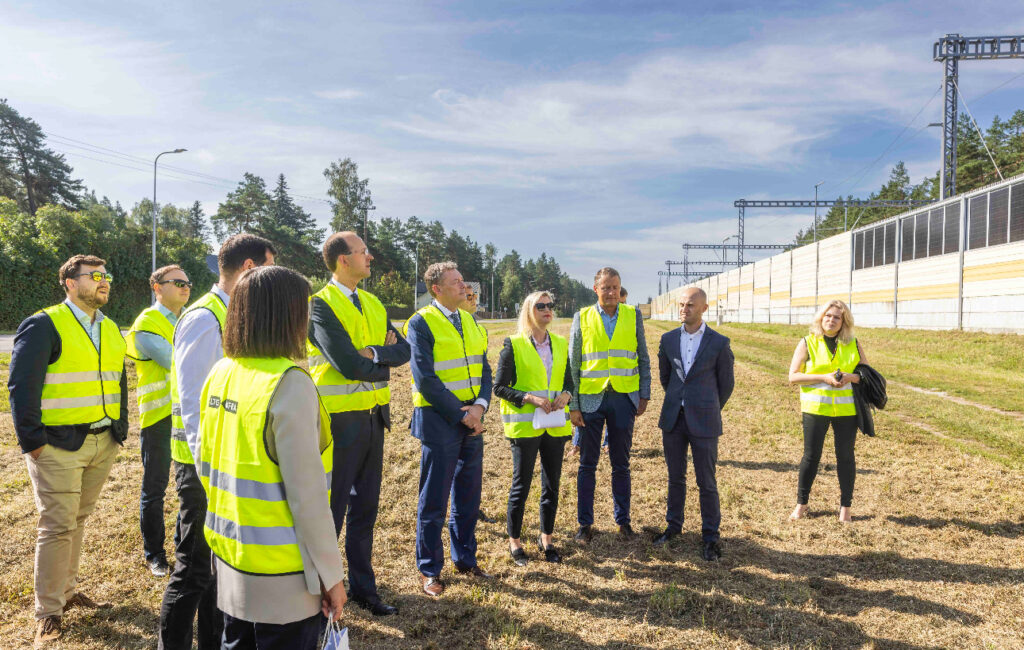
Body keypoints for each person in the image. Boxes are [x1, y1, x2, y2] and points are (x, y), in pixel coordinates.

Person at [198, 265, 346, 649]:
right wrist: (331, 576)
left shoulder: (220, 373)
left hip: (230, 555)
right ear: (287, 316)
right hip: (284, 575)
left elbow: (205, 460)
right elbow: (307, 497)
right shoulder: (289, 383)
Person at [159, 233, 276, 650]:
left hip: (223, 463)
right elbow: (193, 403)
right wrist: (207, 469)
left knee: (217, 570)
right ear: (249, 269)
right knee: (193, 571)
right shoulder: (205, 318)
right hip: (201, 467)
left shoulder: (233, 314)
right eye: (268, 269)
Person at [8, 254, 128, 646]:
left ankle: (67, 591)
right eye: (94, 275)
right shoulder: (44, 324)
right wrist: (33, 443)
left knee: (77, 519)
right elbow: (21, 387)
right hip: (57, 446)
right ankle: (48, 612)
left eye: (106, 275)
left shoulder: (110, 327)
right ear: (70, 283)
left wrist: (119, 427)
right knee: (57, 526)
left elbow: (118, 381)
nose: (103, 281)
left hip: (102, 441)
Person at [306, 232, 409, 617]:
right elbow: (347, 364)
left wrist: (375, 353)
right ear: (342, 260)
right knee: (331, 513)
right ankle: (322, 592)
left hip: (374, 419)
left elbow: (404, 350)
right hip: (338, 423)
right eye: (363, 252)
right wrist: (382, 360)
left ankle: (364, 588)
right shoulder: (319, 305)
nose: (370, 257)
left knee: (366, 509)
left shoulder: (374, 303)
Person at [406, 262, 493, 597]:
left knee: (468, 497)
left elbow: (484, 370)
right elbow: (425, 379)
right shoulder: (420, 323)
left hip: (472, 418)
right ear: (437, 289)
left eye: (462, 280)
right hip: (440, 420)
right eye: (456, 282)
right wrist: (463, 415)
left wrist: (480, 406)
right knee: (434, 500)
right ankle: (430, 570)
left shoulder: (470, 321)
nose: (463, 286)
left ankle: (466, 559)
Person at [569, 267, 651, 543]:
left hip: (623, 398)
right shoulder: (582, 317)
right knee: (587, 465)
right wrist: (574, 405)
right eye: (606, 288)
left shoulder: (632, 315)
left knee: (621, 464)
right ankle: (585, 524)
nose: (612, 292)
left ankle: (623, 521)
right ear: (596, 289)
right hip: (590, 400)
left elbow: (643, 357)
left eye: (615, 287)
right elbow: (573, 365)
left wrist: (644, 394)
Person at [653, 288, 734, 561]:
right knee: (675, 477)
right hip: (674, 419)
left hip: (705, 420)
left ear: (704, 309)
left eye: (690, 305)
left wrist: (707, 406)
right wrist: (680, 400)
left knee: (706, 481)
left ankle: (710, 537)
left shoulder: (719, 343)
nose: (684, 309)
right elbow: (666, 378)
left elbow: (726, 385)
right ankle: (673, 527)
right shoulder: (668, 339)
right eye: (681, 304)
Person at [495, 291, 573, 566]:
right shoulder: (514, 344)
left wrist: (567, 395)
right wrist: (530, 398)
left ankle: (546, 538)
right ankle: (515, 541)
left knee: (552, 485)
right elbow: (499, 387)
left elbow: (569, 381)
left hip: (554, 426)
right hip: (525, 427)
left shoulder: (560, 343)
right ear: (529, 310)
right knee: (522, 485)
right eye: (541, 306)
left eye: (550, 305)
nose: (547, 309)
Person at [125, 264, 192, 577]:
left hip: (187, 415)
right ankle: (154, 554)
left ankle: (183, 547)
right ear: (157, 287)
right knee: (155, 489)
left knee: (189, 486)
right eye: (177, 282)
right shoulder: (147, 322)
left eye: (187, 283)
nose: (185, 287)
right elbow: (176, 362)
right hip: (159, 417)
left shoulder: (189, 318)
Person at [788, 300, 865, 524]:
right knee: (811, 456)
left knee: (846, 457)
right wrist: (824, 377)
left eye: (837, 317)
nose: (831, 320)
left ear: (844, 322)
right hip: (816, 408)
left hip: (846, 410)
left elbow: (866, 375)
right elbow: (793, 376)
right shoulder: (808, 342)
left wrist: (850, 377)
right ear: (821, 318)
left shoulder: (853, 343)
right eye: (828, 316)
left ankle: (845, 509)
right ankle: (801, 504)